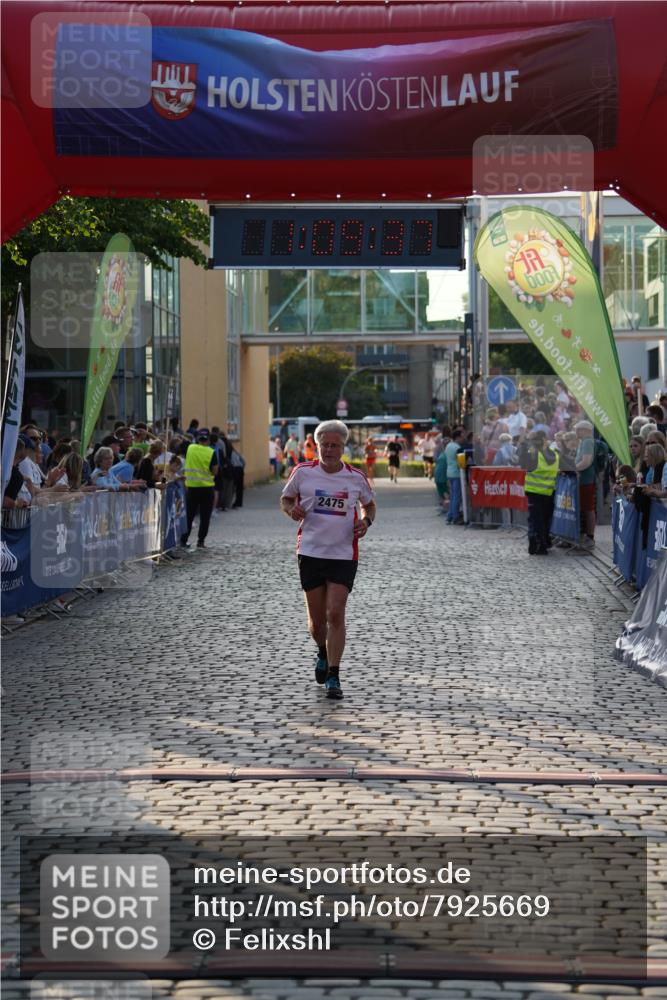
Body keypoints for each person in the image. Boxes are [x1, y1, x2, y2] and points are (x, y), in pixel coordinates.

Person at [279, 419, 376, 701]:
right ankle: (322, 651)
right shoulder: (303, 473)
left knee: (336, 613)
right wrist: (291, 510)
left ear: (344, 447)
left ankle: (334, 674)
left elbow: (369, 504)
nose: (330, 450)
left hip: (343, 553)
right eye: (325, 445)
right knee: (317, 621)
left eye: (335, 445)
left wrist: (366, 521)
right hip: (310, 551)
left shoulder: (355, 477)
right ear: (317, 445)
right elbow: (285, 500)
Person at [519, 429, 559, 555]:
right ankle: (545, 542)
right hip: (549, 492)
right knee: (546, 519)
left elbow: (522, 464)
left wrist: (524, 443)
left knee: (535, 520)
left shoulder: (533, 455)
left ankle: (536, 543)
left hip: (534, 492)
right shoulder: (555, 454)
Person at [181, 429, 218, 548]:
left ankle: (184, 540)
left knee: (189, 515)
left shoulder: (190, 448)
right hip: (207, 488)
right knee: (205, 516)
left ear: (198, 439)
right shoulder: (211, 452)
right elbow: (215, 471)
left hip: (191, 487)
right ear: (208, 440)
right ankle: (200, 541)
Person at [574, 419, 596, 548]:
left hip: (586, 480)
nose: (576, 432)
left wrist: (574, 469)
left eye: (578, 429)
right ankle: (584, 534)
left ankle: (589, 536)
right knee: (585, 508)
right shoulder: (583, 442)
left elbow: (586, 461)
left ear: (585, 430)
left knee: (588, 508)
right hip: (582, 480)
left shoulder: (588, 442)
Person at [445, 427, 465, 524]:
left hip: (449, 473)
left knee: (452, 496)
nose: (463, 438)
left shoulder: (448, 446)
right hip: (457, 474)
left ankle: (450, 516)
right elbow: (462, 463)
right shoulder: (458, 448)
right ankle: (456, 516)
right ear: (458, 437)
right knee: (457, 496)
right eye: (462, 437)